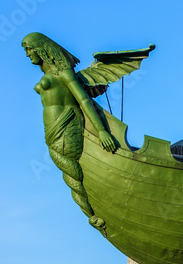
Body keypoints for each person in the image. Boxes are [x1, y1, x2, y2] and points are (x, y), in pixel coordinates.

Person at [22, 32, 119, 234]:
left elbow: (83, 100)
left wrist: (102, 131)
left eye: (29, 49)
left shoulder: (65, 74)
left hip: (67, 127)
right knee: (71, 176)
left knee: (73, 176)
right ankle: (92, 214)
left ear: (41, 48)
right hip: (53, 134)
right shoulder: (48, 76)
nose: (27, 54)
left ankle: (92, 214)